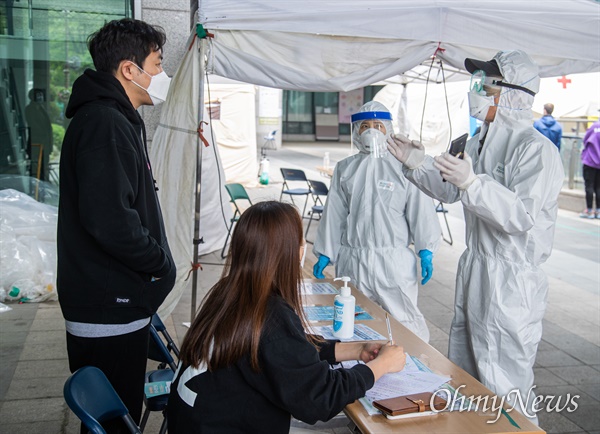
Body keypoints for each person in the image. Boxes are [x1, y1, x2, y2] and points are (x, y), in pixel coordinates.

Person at [387, 50, 564, 424]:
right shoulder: (477, 141)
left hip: (511, 281)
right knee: (467, 372)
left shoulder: (537, 151)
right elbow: (452, 190)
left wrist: (474, 183)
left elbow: (522, 216)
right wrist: (416, 163)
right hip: (477, 269)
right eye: (479, 82)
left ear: (514, 93)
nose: (479, 90)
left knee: (505, 380)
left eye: (488, 84)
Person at [168, 201, 406, 434]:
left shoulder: (228, 292)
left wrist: (357, 350)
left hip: (195, 421)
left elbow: (286, 354)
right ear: (290, 252)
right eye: (301, 241)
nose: (303, 248)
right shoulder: (270, 315)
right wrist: (381, 365)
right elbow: (319, 398)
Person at [57, 18, 176, 433]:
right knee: (118, 418)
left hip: (117, 306)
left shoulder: (115, 118)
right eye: (158, 63)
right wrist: (160, 264)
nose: (162, 74)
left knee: (121, 409)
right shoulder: (103, 122)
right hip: (109, 308)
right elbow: (109, 221)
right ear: (130, 69)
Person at [312, 101, 441, 342]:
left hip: (392, 261)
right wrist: (325, 252)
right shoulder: (346, 168)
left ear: (389, 129)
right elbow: (335, 213)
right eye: (365, 126)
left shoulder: (404, 166)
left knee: (404, 321)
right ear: (356, 131)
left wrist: (426, 249)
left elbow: (421, 209)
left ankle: (414, 368)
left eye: (378, 125)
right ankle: (362, 371)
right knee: (355, 319)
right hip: (354, 261)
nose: (372, 131)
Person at [25, 88, 53, 181]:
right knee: (35, 169)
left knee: (43, 168)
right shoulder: (29, 109)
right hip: (36, 143)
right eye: (38, 95)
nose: (40, 97)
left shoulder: (42, 109)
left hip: (45, 144)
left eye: (41, 95)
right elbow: (33, 125)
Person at [580, 119, 600, 218]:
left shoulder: (594, 126)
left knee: (589, 186)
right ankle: (598, 210)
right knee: (599, 187)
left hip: (590, 161)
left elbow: (585, 140)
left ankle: (589, 210)